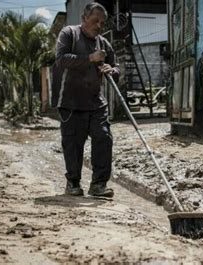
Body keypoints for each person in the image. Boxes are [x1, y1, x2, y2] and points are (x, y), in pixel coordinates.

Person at [55, 2, 119, 197]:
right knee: (74, 144)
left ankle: (98, 185)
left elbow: (115, 68)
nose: (99, 26)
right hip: (71, 103)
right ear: (84, 19)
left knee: (103, 138)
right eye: (95, 21)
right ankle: (73, 183)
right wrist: (90, 58)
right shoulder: (69, 34)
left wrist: (112, 70)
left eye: (102, 22)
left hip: (96, 103)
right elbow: (61, 59)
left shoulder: (103, 43)